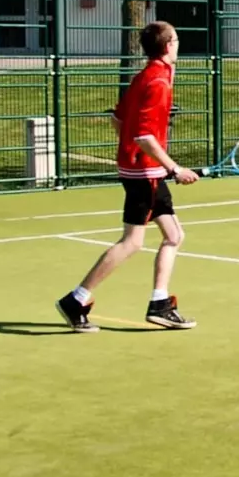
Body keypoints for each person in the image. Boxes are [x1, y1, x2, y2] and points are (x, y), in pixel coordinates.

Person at [56, 21, 200, 331]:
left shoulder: (146, 76)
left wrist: (132, 153)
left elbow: (117, 120)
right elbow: (144, 136)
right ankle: (76, 299)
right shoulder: (157, 82)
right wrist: (175, 169)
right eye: (176, 40)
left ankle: (160, 304)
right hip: (145, 173)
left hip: (143, 170)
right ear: (168, 46)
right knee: (132, 242)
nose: (179, 44)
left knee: (174, 235)